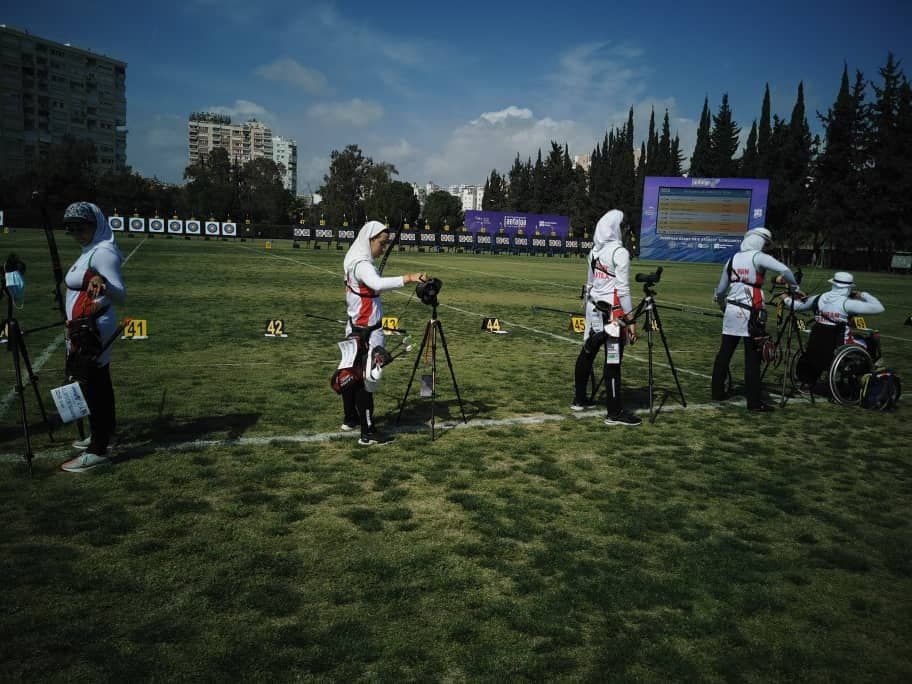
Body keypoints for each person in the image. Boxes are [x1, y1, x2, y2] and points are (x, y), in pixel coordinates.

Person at [338, 220, 425, 446]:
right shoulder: (362, 264)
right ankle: (368, 433)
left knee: (352, 375)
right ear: (369, 240)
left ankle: (350, 419)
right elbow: (376, 282)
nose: (383, 248)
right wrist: (409, 278)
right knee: (367, 381)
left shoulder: (354, 258)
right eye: (382, 243)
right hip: (367, 333)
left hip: (355, 328)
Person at [59, 202, 126, 472]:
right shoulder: (90, 250)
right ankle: (104, 433)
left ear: (96, 224)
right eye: (72, 228)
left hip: (94, 329)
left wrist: (104, 284)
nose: (78, 232)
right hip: (84, 326)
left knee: (93, 384)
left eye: (82, 226)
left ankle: (98, 448)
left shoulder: (103, 253)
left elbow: (120, 294)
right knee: (99, 380)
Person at [711, 227, 798, 411]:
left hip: (732, 310)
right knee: (753, 358)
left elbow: (720, 290)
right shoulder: (758, 257)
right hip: (751, 313)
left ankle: (717, 392)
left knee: (724, 353)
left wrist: (721, 302)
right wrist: (796, 288)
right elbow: (785, 270)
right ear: (760, 242)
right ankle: (754, 402)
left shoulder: (732, 259)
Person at [571, 209, 640, 426]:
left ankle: (579, 399)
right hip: (613, 317)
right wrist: (630, 321)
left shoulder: (594, 252)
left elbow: (589, 284)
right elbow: (624, 289)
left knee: (588, 353)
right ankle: (614, 413)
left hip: (594, 311)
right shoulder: (619, 253)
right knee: (613, 362)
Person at [783, 271, 885, 390]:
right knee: (872, 339)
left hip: (817, 344)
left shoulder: (818, 298)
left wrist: (786, 298)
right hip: (840, 346)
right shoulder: (848, 304)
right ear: (848, 288)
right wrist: (862, 295)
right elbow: (879, 308)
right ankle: (865, 376)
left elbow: (797, 307)